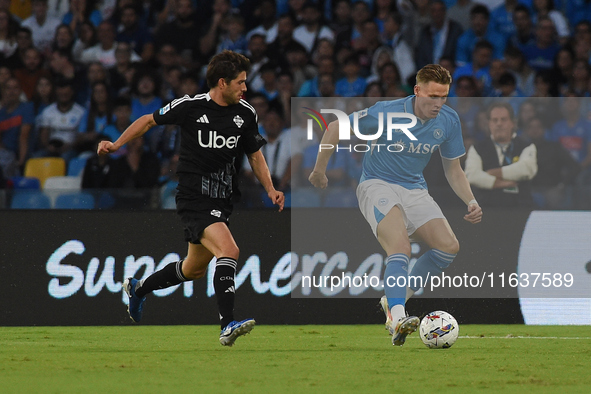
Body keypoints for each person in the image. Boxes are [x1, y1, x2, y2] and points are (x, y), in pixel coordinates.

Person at [97, 50, 284, 346]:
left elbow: (254, 155)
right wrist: (117, 144)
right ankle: (227, 325)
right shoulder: (191, 106)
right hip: (193, 196)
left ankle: (139, 287)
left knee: (193, 268)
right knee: (229, 250)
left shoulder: (245, 113)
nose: (245, 88)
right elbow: (147, 121)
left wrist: (270, 188)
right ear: (222, 82)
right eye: (240, 82)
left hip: (222, 200)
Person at [308, 64, 483, 347]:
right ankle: (398, 318)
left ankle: (393, 300)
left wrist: (471, 200)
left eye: (444, 97)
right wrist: (319, 170)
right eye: (432, 96)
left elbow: (454, 170)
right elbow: (335, 127)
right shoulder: (387, 112)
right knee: (400, 247)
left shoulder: (449, 121)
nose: (438, 103)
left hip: (415, 188)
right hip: (377, 184)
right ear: (417, 91)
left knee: (448, 246)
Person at [464, 102, 538, 208]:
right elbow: (472, 175)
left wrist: (493, 173)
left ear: (513, 123)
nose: (499, 124)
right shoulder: (477, 148)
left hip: (521, 208)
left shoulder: (527, 146)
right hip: (486, 209)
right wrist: (500, 183)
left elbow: (526, 169)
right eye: (495, 120)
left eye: (503, 119)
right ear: (489, 124)